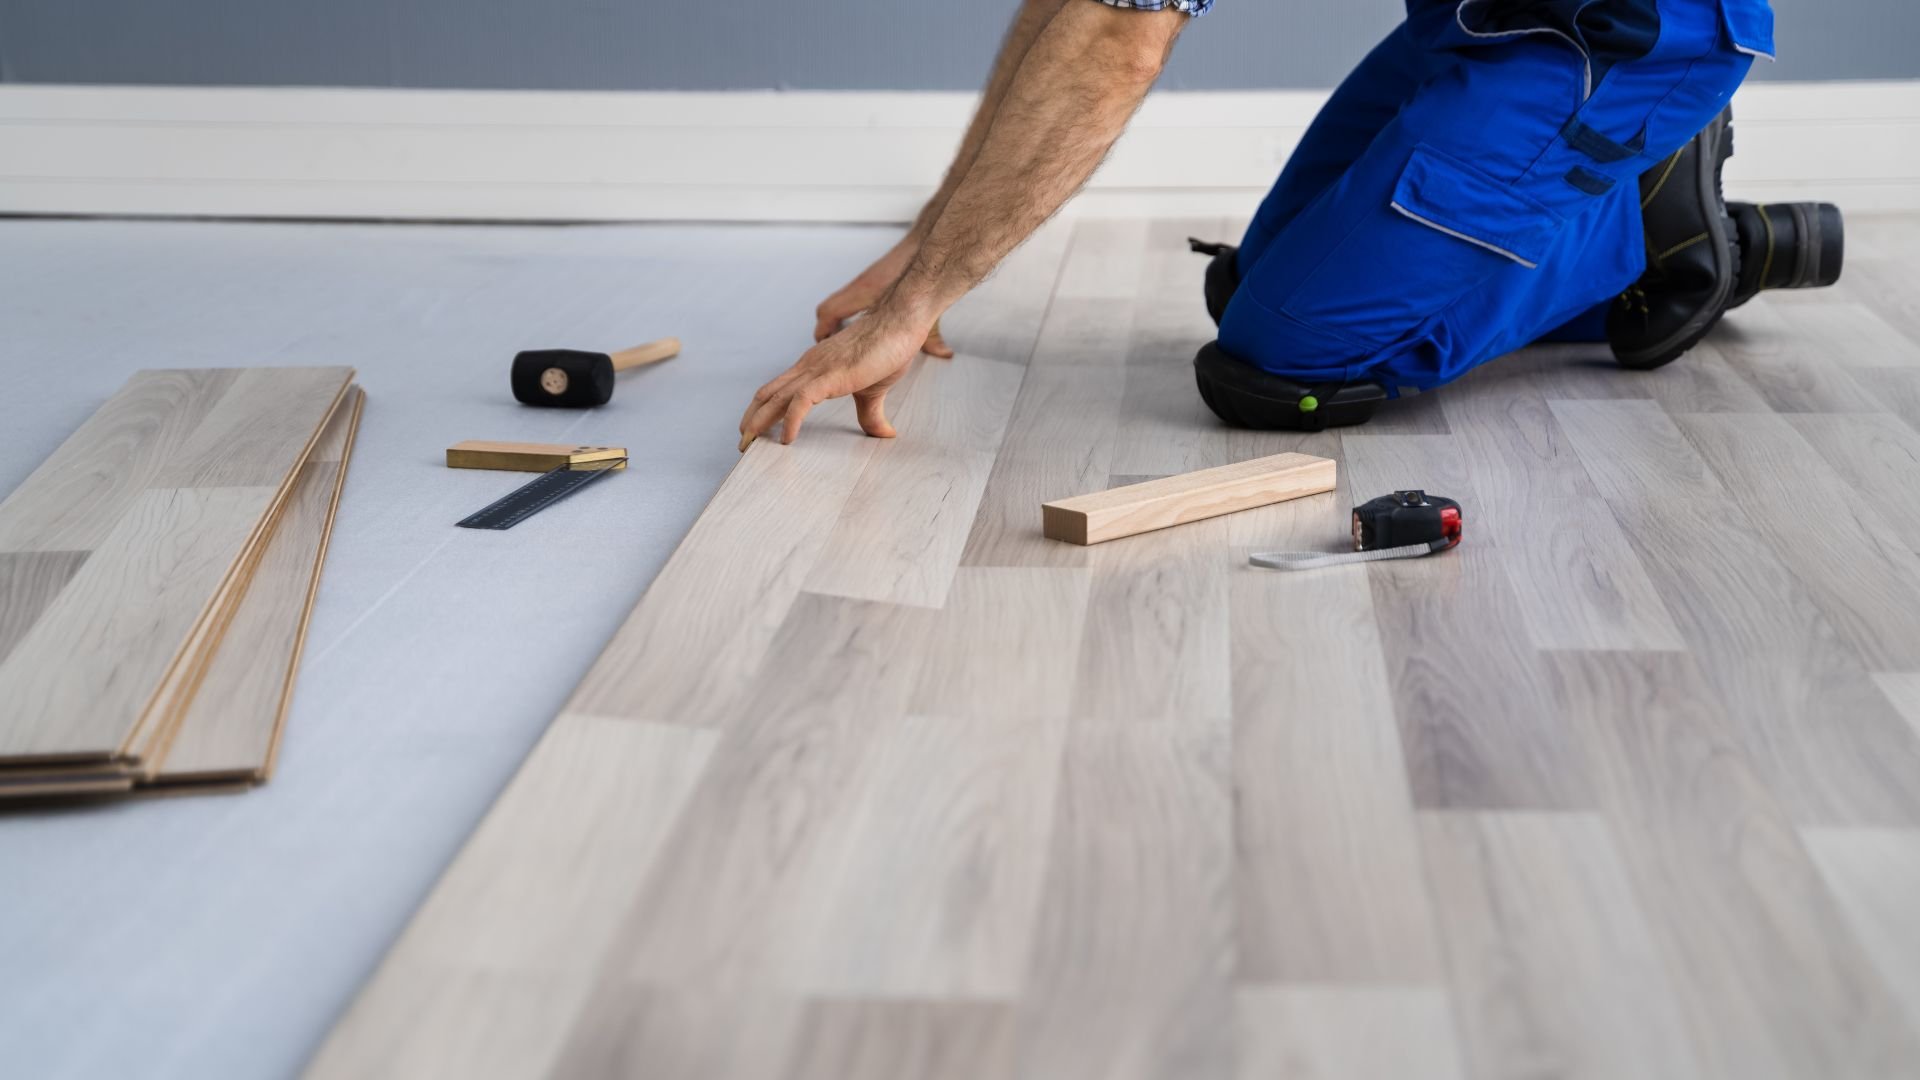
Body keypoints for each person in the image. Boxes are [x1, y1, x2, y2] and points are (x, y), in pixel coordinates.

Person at [738, 0, 1842, 446]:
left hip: (1622, 40)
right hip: (1484, 19)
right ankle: (1606, 203)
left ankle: (1655, 231)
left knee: (1281, 362)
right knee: (1252, 291)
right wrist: (932, 244)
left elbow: (1120, 35)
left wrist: (924, 297)